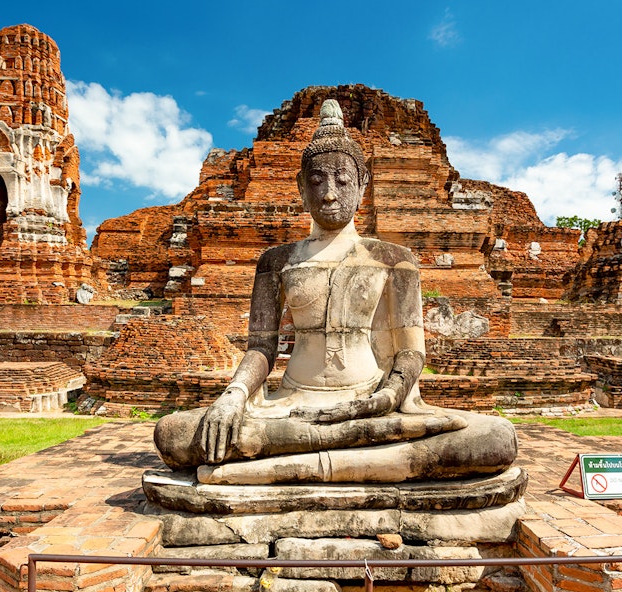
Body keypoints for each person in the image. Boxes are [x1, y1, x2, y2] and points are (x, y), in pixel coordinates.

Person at [154, 100, 516, 485]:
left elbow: (411, 351)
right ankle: (361, 465)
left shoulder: (394, 259)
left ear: (362, 185)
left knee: (495, 440)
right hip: (294, 405)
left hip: (373, 404)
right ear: (300, 187)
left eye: (342, 181)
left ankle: (285, 469)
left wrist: (389, 396)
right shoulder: (276, 261)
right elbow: (261, 349)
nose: (329, 194)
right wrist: (233, 396)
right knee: (175, 435)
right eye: (317, 181)